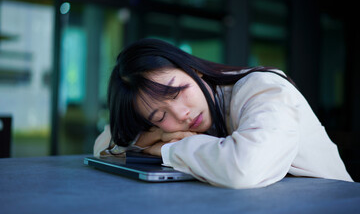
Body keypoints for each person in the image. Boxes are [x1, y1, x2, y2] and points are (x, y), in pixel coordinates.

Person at [94, 38, 353, 189]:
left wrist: (164, 149)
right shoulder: (175, 125)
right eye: (160, 117)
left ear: (193, 70)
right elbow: (104, 144)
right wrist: (152, 137)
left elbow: (244, 168)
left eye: (177, 92)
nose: (181, 114)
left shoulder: (263, 89)